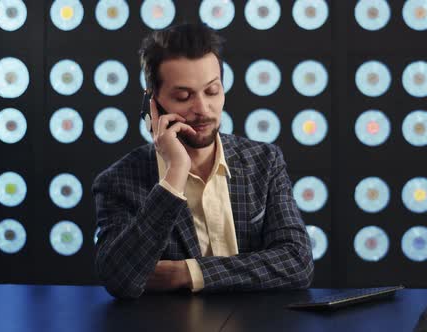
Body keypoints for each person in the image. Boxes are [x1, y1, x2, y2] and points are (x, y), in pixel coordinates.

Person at [92, 22, 314, 299]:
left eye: (212, 91)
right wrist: (175, 175)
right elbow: (119, 279)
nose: (202, 109)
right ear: (153, 102)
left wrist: (186, 273)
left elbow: (297, 262)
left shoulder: (264, 162)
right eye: (183, 97)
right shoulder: (118, 181)